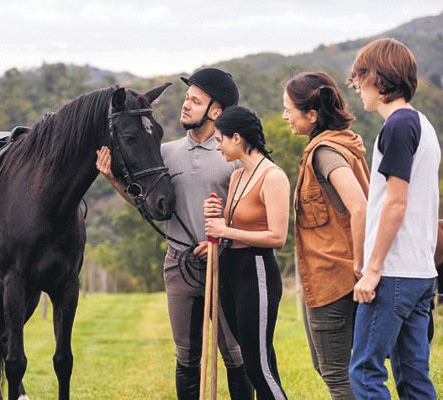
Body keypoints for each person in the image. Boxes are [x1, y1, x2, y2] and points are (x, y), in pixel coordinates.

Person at [97, 68, 253, 399]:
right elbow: (146, 203)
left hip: (224, 265)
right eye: (186, 98)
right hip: (178, 266)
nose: (185, 105)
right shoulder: (166, 154)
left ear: (216, 111)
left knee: (235, 355)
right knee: (186, 357)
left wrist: (224, 241)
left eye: (195, 101)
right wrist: (113, 179)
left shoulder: (234, 155)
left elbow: (254, 213)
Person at [347, 38, 440, 399]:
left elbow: (396, 204)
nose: (357, 86)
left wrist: (372, 270)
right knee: (415, 378)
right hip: (420, 273)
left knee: (366, 371)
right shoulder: (422, 124)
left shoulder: (398, 126)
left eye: (360, 77)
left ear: (379, 78)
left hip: (394, 273)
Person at [282, 72, 369, 399]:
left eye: (289, 109)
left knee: (336, 374)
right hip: (328, 278)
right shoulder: (343, 143)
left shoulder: (325, 152)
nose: (285, 116)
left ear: (313, 115)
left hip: (334, 278)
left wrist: (360, 265)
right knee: (333, 368)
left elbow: (359, 207)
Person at [203, 105, 290, 399]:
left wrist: (225, 231)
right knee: (257, 361)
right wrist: (217, 223)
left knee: (256, 366)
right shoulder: (238, 177)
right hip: (232, 269)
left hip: (257, 272)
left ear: (237, 138)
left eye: (220, 139)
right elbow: (231, 225)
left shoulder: (273, 177)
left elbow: (277, 237)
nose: (218, 147)